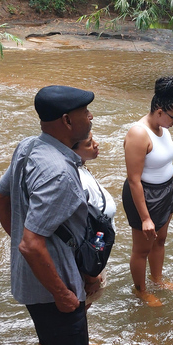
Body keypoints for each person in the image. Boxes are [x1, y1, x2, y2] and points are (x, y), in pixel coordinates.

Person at [0, 85, 99, 345]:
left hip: (33, 276)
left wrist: (21, 244)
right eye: (86, 112)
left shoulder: (28, 146)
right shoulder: (60, 174)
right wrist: (63, 293)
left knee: (49, 344)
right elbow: (32, 243)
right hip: (55, 280)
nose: (91, 117)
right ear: (68, 120)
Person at [122, 76, 173, 307]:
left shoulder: (162, 128)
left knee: (160, 241)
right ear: (159, 111)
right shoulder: (138, 134)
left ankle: (157, 280)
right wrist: (145, 218)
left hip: (165, 192)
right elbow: (133, 180)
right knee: (141, 249)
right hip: (144, 196)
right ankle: (141, 290)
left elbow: (165, 165)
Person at [72, 131, 116, 308]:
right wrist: (91, 276)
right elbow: (81, 230)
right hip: (88, 259)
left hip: (95, 252)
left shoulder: (80, 168)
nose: (96, 144)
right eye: (89, 143)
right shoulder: (76, 178)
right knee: (81, 306)